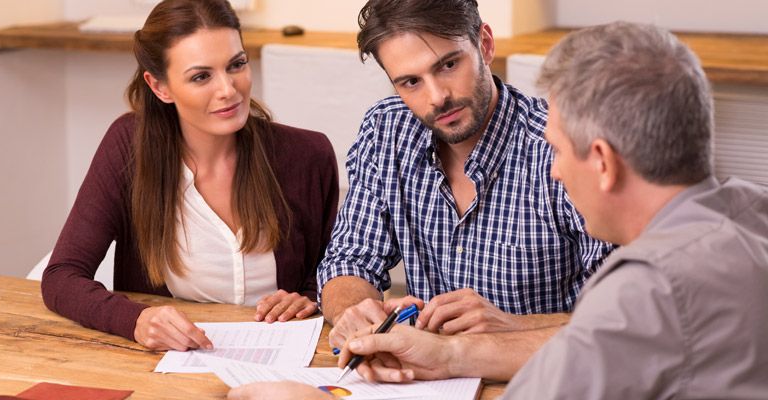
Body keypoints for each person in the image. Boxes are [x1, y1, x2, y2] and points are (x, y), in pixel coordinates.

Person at [228, 21, 768, 400]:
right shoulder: (749, 212)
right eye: (411, 80)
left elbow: (594, 338)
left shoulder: (647, 289)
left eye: (559, 150)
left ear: (601, 162)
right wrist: (440, 353)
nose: (555, 168)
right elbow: (349, 260)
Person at [41, 0, 339, 352]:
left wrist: (311, 297)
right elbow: (62, 276)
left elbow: (333, 272)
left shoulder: (307, 155)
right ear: (160, 87)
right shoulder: (129, 148)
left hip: (287, 360)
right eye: (201, 76)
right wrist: (135, 320)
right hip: (171, 366)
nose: (228, 89)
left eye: (237, 65)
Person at [318, 0, 613, 350]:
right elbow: (349, 259)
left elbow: (624, 317)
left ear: (484, 45)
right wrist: (357, 313)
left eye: (448, 65)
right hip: (427, 378)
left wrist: (511, 325)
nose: (438, 97)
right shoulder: (386, 130)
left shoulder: (560, 146)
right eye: (411, 81)